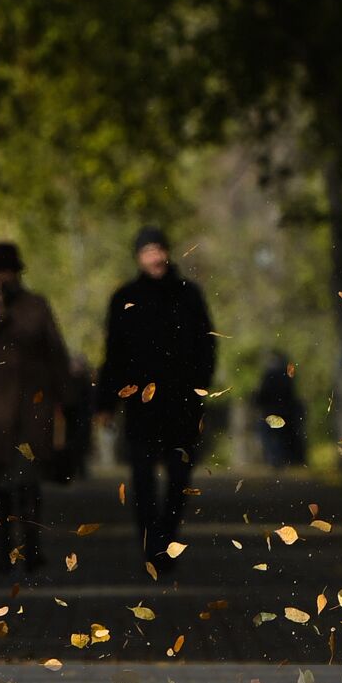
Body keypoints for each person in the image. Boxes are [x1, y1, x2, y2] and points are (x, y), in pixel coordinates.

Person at [96, 227, 215, 573]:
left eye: (158, 249)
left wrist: (200, 388)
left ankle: (166, 538)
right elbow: (114, 354)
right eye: (147, 251)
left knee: (179, 480)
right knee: (143, 480)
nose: (154, 257)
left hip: (182, 404)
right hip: (141, 408)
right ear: (138, 256)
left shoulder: (189, 296)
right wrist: (106, 402)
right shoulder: (124, 298)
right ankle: (152, 545)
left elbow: (207, 347)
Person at [0, 243, 69, 573]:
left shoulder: (36, 306)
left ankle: (32, 547)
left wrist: (65, 399)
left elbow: (54, 352)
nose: (3, 278)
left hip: (31, 410)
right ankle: (3, 546)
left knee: (29, 484)